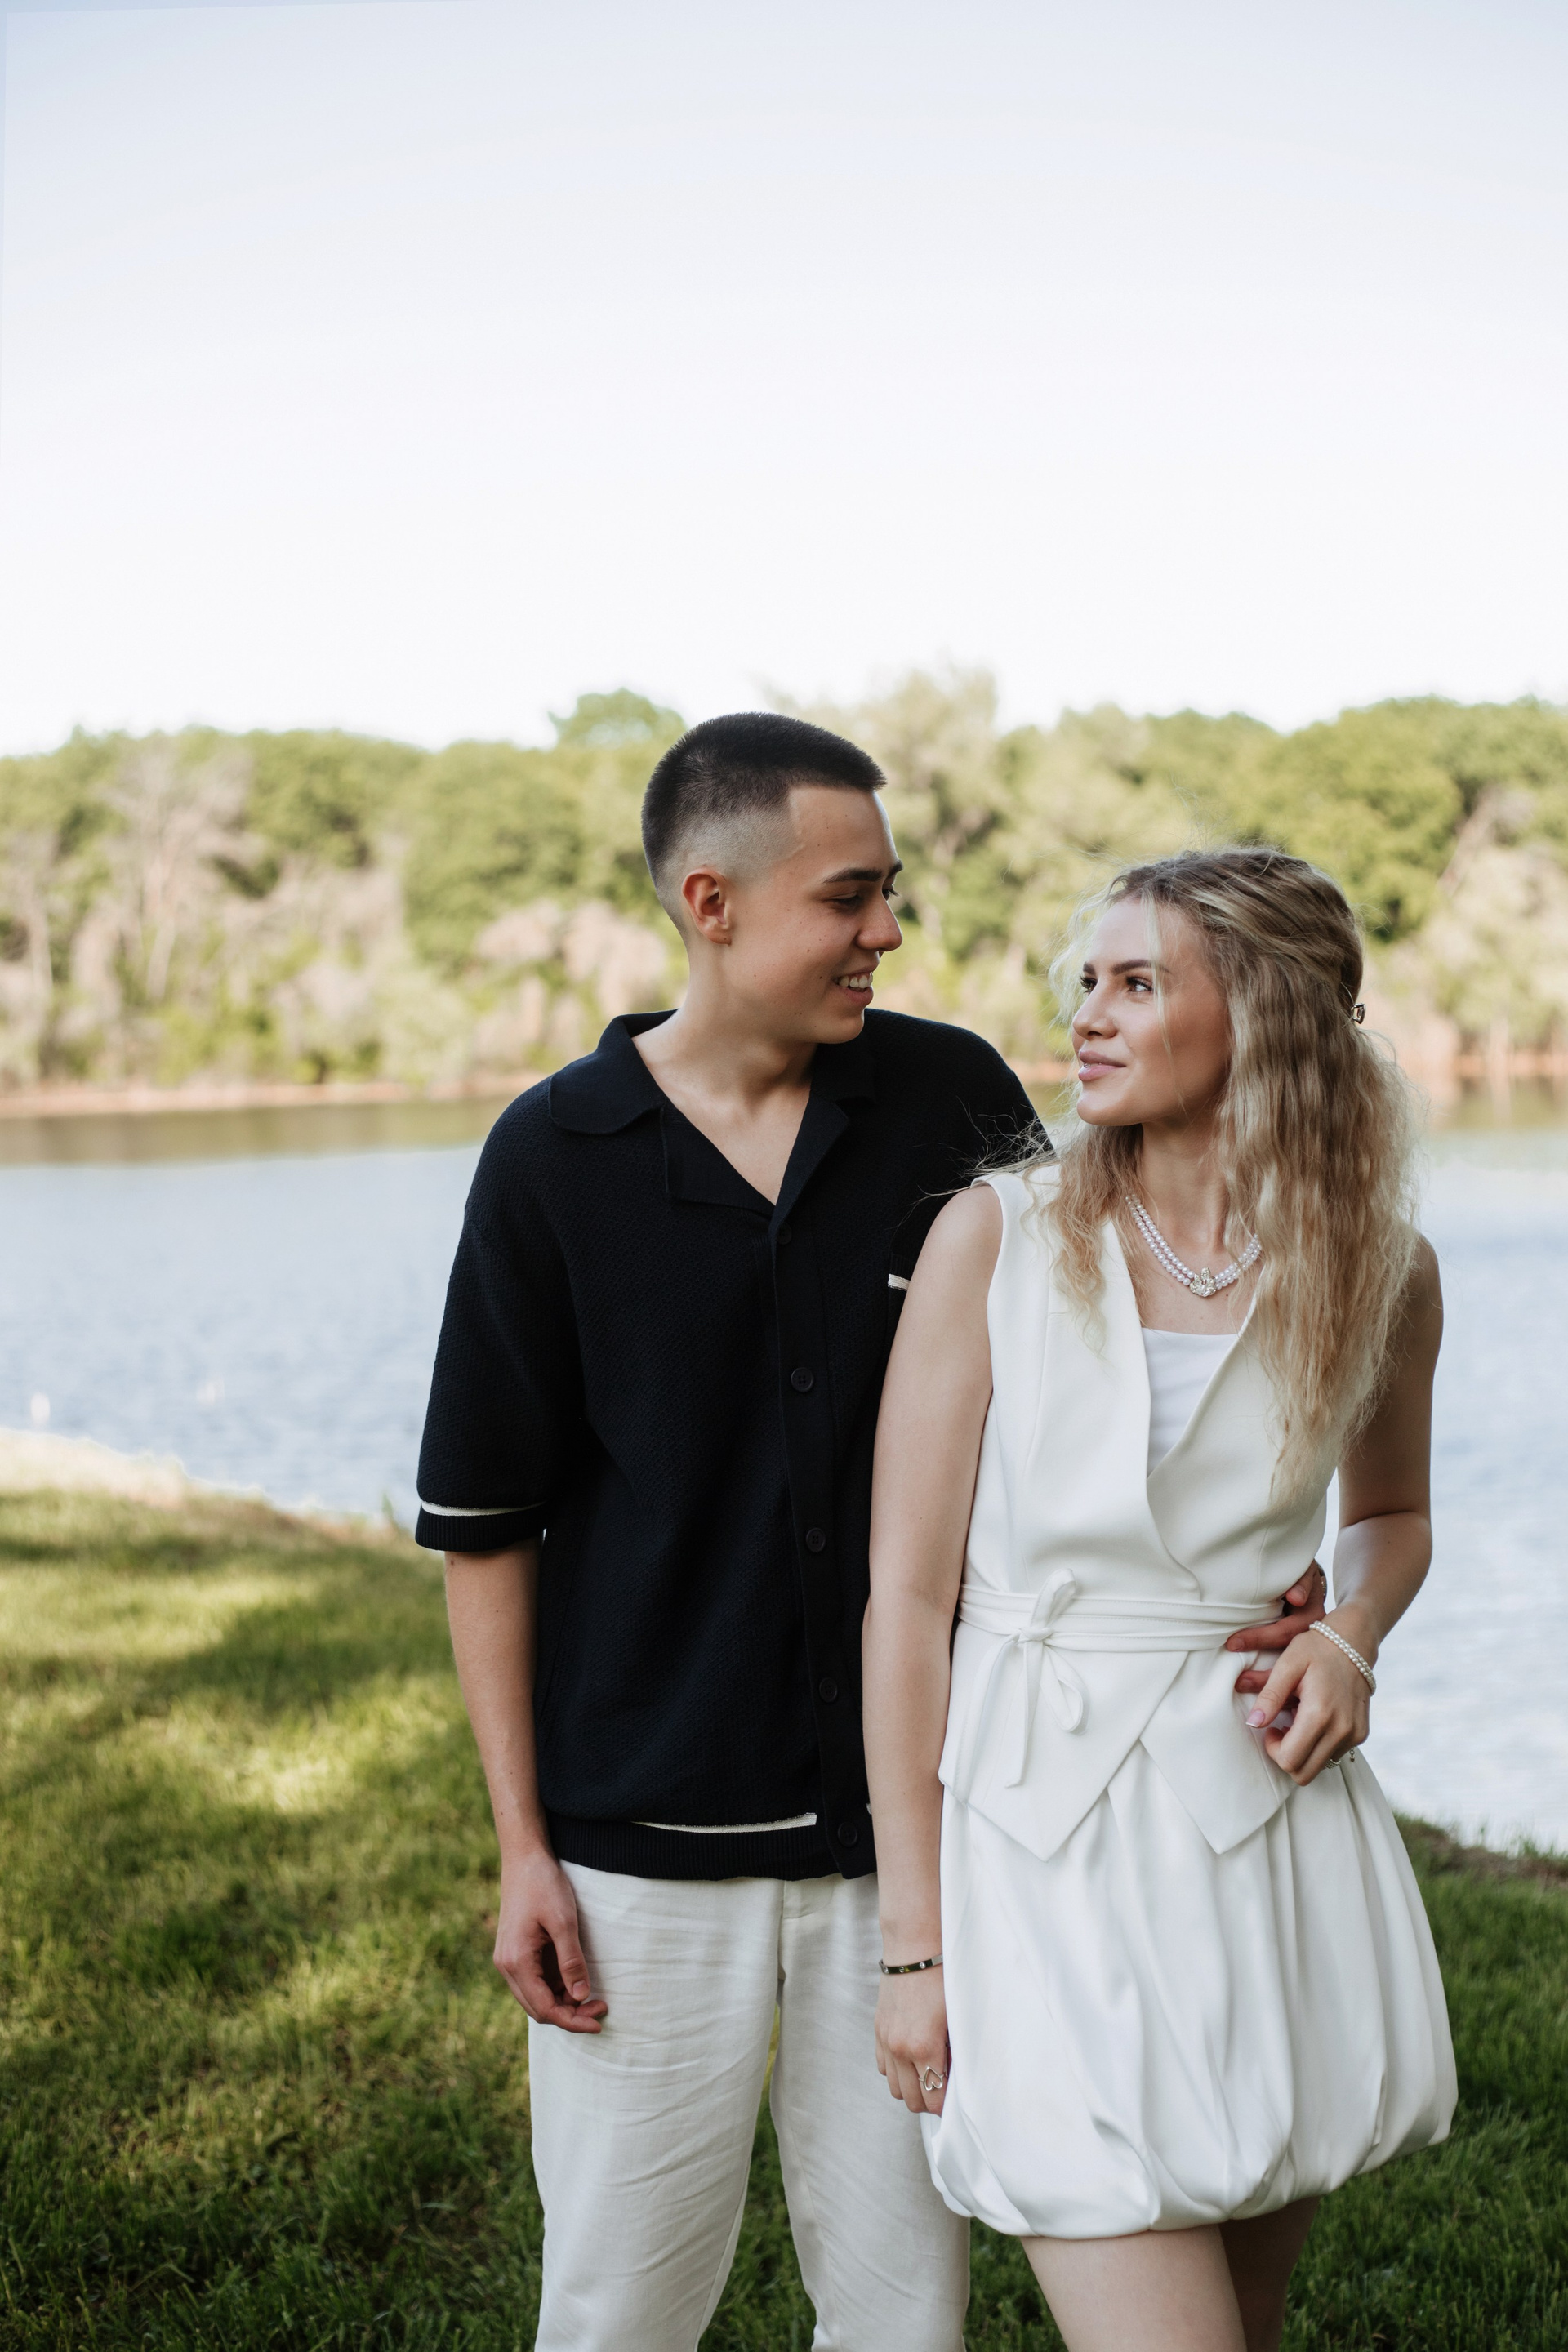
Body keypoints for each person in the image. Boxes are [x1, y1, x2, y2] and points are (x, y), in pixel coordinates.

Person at [416, 730, 1328, 2352]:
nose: (887, 932)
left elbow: (1122, 1339)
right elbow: (489, 1529)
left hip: (931, 1848)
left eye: (889, 893)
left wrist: (1245, 1561)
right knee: (618, 2309)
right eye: (849, 897)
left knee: (909, 2316)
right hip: (643, 1860)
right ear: (712, 902)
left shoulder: (950, 1102)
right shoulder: (550, 1160)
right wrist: (522, 1846)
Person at [862, 847, 1457, 2352]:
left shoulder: (1380, 1268)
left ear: (1265, 1017)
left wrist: (1351, 1635)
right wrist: (917, 1946)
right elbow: (905, 1603)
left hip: (1265, 1829)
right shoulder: (994, 1237)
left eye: (1138, 983)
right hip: (1038, 1845)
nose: (1090, 1017)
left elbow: (1390, 1519)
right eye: (1091, 982)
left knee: (1241, 2325)